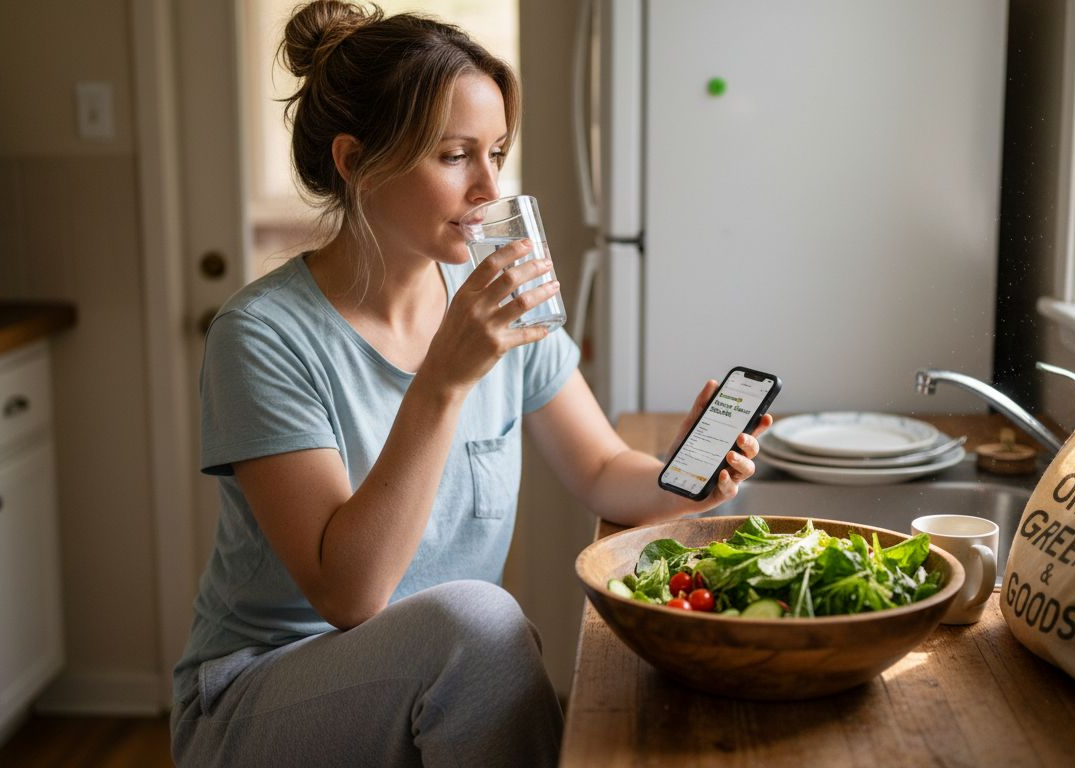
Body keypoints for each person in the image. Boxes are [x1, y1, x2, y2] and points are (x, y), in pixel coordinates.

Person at [169, 2, 773, 766]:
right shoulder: (260, 336)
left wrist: (688, 478)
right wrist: (444, 382)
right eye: (455, 156)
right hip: (263, 695)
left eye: (497, 153)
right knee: (482, 625)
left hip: (427, 681)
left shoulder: (496, 301)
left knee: (481, 628)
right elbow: (348, 598)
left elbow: (597, 469)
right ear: (355, 162)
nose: (489, 188)